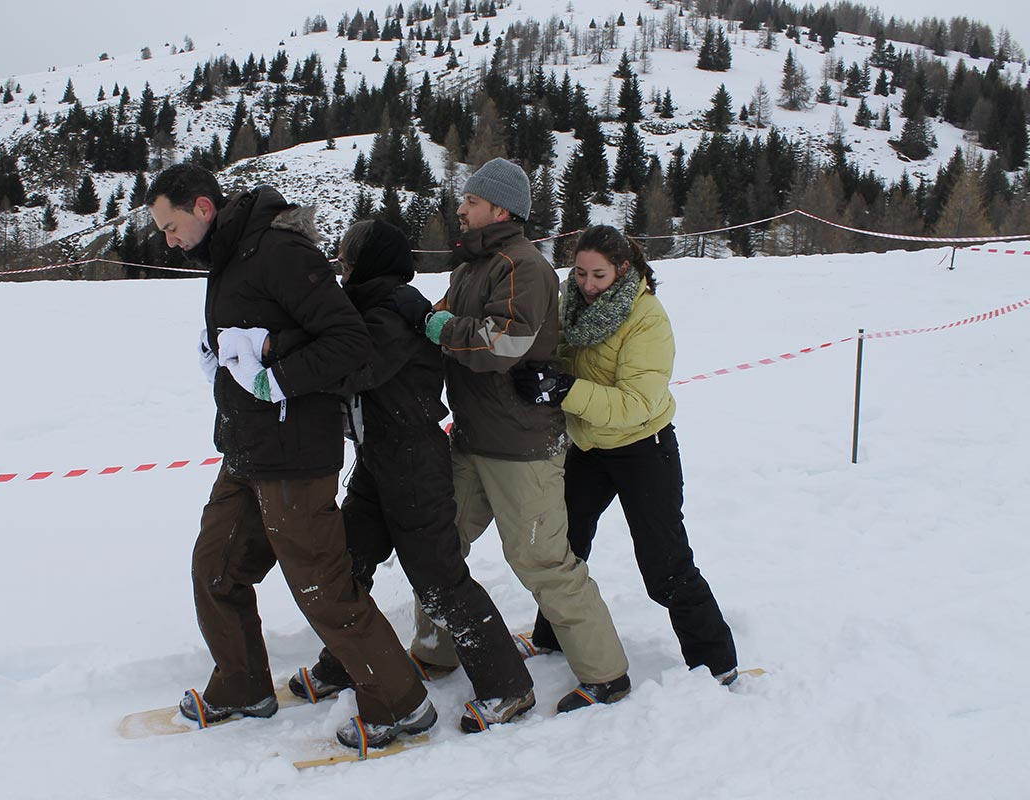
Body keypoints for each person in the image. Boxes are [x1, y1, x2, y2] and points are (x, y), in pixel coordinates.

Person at [146, 164, 435, 750]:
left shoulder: (277, 250)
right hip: (246, 448)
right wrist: (221, 357)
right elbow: (258, 337)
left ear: (203, 208)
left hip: (295, 453)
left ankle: (402, 703)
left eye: (171, 227)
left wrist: (274, 379)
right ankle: (243, 685)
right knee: (216, 566)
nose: (168, 241)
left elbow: (349, 341)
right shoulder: (227, 257)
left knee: (321, 588)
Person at [275, 219, 536, 732]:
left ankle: (509, 686)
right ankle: (348, 663)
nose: (343, 267)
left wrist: (278, 351)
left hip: (414, 461)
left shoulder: (390, 314)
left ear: (372, 263)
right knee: (348, 562)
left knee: (439, 579)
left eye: (350, 260)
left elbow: (351, 370)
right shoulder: (373, 307)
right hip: (379, 457)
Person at [398, 158, 632, 713]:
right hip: (473, 437)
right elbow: (444, 322)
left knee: (542, 561)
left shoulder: (523, 267)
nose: (461, 208)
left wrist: (442, 330)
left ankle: (606, 674)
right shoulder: (472, 266)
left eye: (471, 202)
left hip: (521, 445)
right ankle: (436, 652)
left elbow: (507, 344)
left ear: (499, 209)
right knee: (437, 546)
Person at [511, 225, 738, 685]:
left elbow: (638, 402)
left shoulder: (647, 318)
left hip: (643, 450)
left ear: (624, 269)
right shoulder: (571, 306)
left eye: (599, 275)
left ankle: (717, 661)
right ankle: (552, 635)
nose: (588, 285)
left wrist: (565, 390)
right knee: (564, 546)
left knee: (665, 564)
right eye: (579, 273)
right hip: (590, 447)